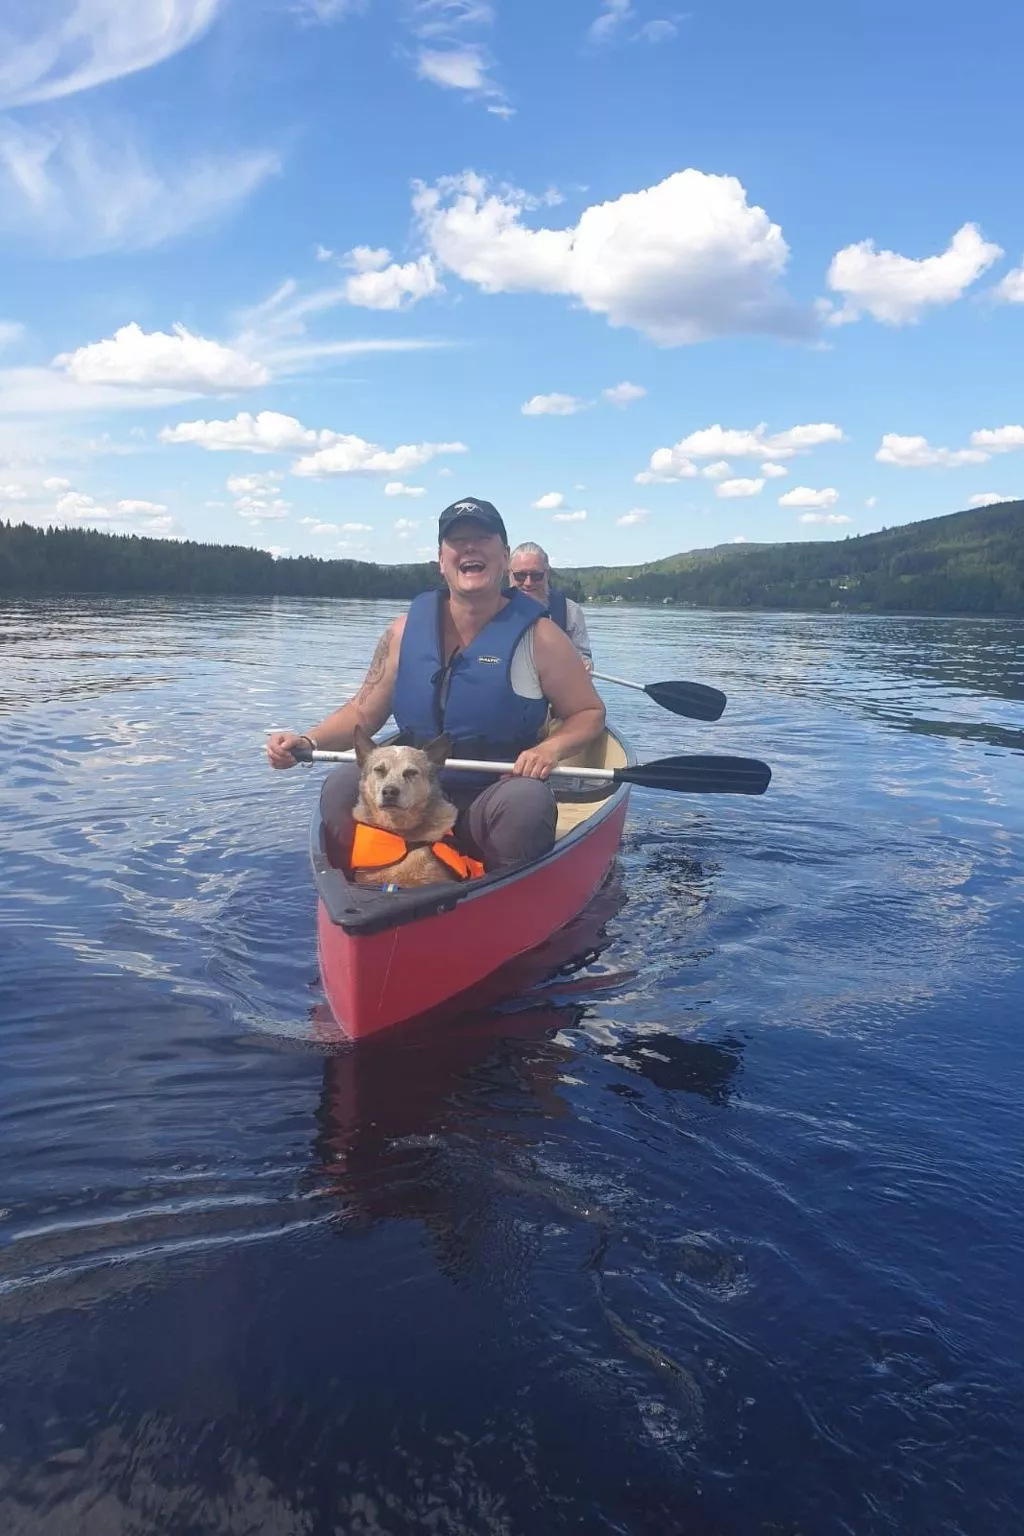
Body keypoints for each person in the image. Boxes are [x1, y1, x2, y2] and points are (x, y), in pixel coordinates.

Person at [267, 497, 606, 872]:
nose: (470, 547)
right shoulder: (402, 632)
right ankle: (362, 887)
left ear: (505, 555)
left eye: (483, 538)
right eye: (457, 541)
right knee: (341, 786)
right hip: (411, 796)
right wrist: (308, 741)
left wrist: (550, 750)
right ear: (441, 559)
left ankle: (492, 894)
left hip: (492, 795)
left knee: (527, 803)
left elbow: (588, 713)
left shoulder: (541, 637)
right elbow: (363, 710)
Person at [508, 542, 593, 670]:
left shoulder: (570, 612)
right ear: (509, 574)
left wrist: (585, 663)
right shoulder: (492, 609)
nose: (528, 583)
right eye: (520, 576)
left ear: (547, 574)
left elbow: (583, 654)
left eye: (537, 576)